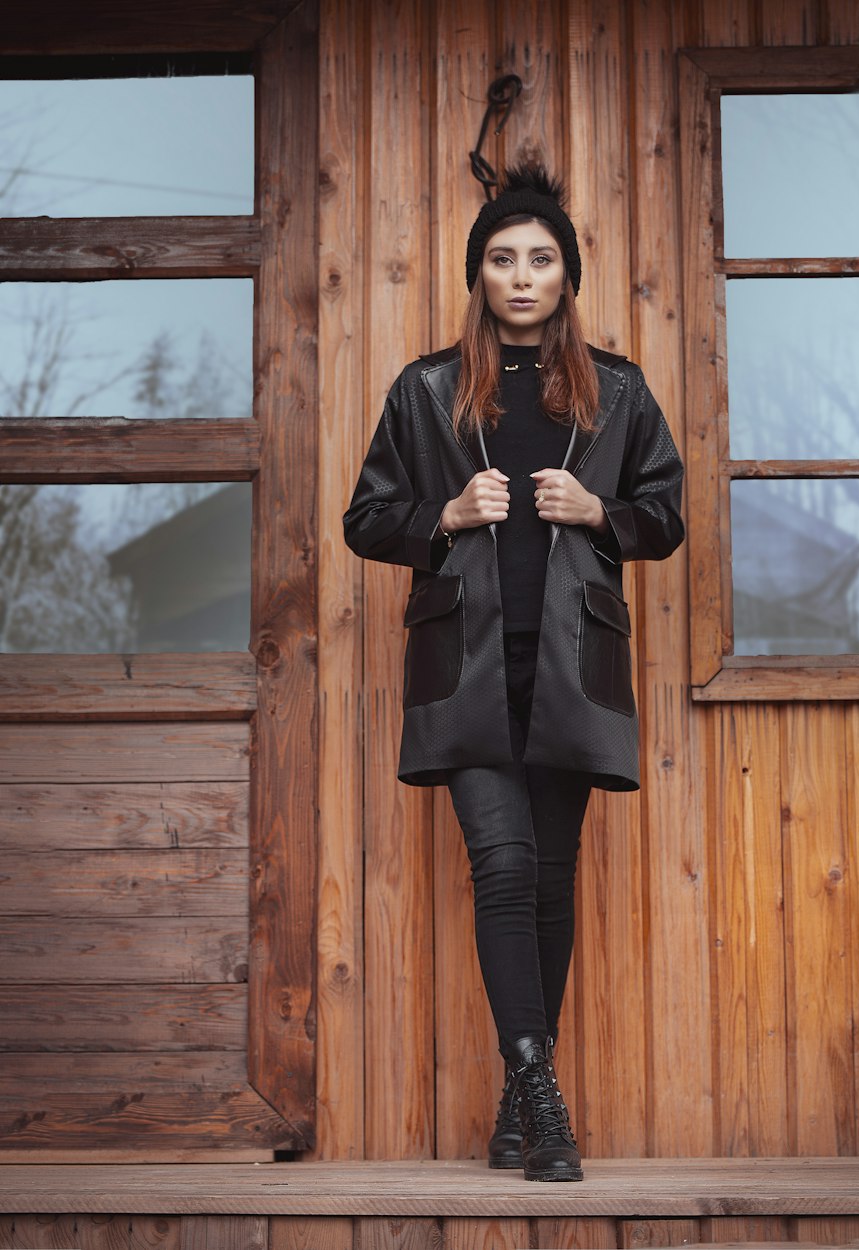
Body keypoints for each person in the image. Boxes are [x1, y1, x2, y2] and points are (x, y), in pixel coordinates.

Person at [343, 164, 684, 1182]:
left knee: (548, 881)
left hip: (575, 665)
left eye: (540, 258)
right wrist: (442, 517)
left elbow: (665, 514)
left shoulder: (616, 390)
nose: (521, 276)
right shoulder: (426, 388)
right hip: (465, 664)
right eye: (502, 258)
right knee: (502, 863)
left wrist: (601, 513)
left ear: (566, 275)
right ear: (478, 275)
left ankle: (510, 1107)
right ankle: (543, 1092)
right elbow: (365, 517)